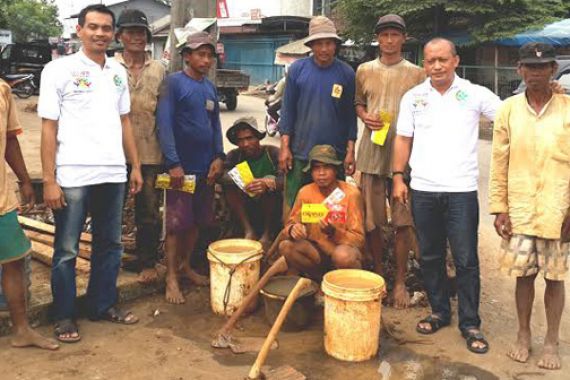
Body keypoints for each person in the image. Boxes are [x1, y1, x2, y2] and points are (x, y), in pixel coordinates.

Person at [38, 4, 143, 343]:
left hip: (113, 172)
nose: (100, 33)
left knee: (109, 244)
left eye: (106, 28)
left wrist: (135, 166)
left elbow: (125, 121)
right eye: (93, 27)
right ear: (79, 30)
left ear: (113, 34)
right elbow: (48, 128)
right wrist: (50, 179)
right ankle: (65, 316)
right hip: (72, 176)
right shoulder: (58, 70)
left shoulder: (116, 72)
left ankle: (102, 305)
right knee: (67, 249)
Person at [392, 38, 502, 354]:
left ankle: (470, 322)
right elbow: (403, 139)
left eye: (442, 59)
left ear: (455, 60)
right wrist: (399, 177)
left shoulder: (474, 94)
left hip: (461, 191)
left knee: (466, 259)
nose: (436, 66)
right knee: (430, 255)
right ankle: (439, 311)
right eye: (430, 61)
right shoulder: (414, 97)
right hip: (423, 189)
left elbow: (509, 117)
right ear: (424, 64)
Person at [489, 42, 570, 370]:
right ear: (519, 71)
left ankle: (551, 341)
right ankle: (523, 334)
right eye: (529, 67)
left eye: (542, 67)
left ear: (553, 69)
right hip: (520, 208)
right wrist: (499, 208)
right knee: (523, 276)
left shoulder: (568, 107)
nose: (536, 73)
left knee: (555, 277)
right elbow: (498, 160)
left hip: (557, 209)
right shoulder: (508, 109)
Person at [354, 14, 425, 308]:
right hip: (371, 155)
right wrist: (363, 115)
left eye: (395, 35)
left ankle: (399, 283)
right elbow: (358, 102)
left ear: (403, 39)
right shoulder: (364, 70)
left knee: (403, 222)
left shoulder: (417, 73)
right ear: (377, 39)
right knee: (371, 222)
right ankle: (380, 277)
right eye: (384, 35)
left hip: (403, 161)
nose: (389, 41)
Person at [157, 31, 224, 304]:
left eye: (209, 56)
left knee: (197, 220)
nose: (206, 60)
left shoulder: (210, 88)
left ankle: (186, 267)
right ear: (186, 56)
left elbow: (215, 125)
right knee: (176, 223)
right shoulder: (174, 83)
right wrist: (173, 163)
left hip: (204, 167)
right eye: (200, 54)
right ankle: (171, 277)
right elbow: (165, 124)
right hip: (180, 168)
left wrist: (219, 157)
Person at [0, 79, 59, 350]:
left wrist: (24, 179)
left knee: (14, 260)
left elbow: (10, 138)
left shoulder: (3, 90)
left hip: (1, 199)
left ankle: (22, 330)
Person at [279, 16, 357, 218]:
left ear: (335, 45)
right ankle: (295, 246)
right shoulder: (297, 70)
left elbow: (350, 116)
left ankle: (328, 247)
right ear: (311, 45)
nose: (324, 49)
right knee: (296, 206)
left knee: (333, 209)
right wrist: (285, 147)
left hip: (335, 156)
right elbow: (287, 111)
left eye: (329, 43)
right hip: (301, 152)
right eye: (319, 43)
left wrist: (350, 151)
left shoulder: (346, 73)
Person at [115, 9, 166, 284]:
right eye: (130, 31)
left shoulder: (159, 69)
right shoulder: (109, 67)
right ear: (119, 36)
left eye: (141, 32)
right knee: (112, 210)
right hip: (113, 154)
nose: (136, 37)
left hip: (150, 153)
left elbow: (166, 113)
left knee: (148, 210)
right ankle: (111, 262)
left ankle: (147, 262)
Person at [279, 145, 365, 279]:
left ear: (336, 170)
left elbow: (359, 239)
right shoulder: (305, 192)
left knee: (343, 256)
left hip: (342, 249)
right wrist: (293, 229)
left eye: (327, 167)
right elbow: (290, 223)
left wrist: (334, 232)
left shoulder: (351, 194)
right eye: (316, 168)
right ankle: (319, 278)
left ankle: (348, 284)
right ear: (311, 172)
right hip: (317, 251)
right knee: (286, 247)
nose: (321, 173)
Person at [222, 117, 283, 246]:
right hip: (245, 202)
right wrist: (245, 182)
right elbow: (223, 175)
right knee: (229, 188)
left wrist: (267, 182)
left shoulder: (272, 153)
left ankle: (267, 234)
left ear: (258, 138)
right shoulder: (234, 155)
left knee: (270, 188)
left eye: (249, 138)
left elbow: (284, 179)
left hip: (270, 204)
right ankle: (248, 230)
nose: (245, 144)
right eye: (241, 140)